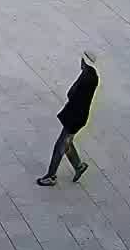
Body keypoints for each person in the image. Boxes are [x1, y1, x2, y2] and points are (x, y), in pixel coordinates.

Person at [38, 52, 99, 186]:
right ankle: (78, 166)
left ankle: (51, 176)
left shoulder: (85, 77)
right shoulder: (93, 76)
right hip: (79, 115)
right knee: (67, 142)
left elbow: (71, 93)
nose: (80, 62)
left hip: (74, 116)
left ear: (85, 62)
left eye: (82, 60)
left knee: (60, 145)